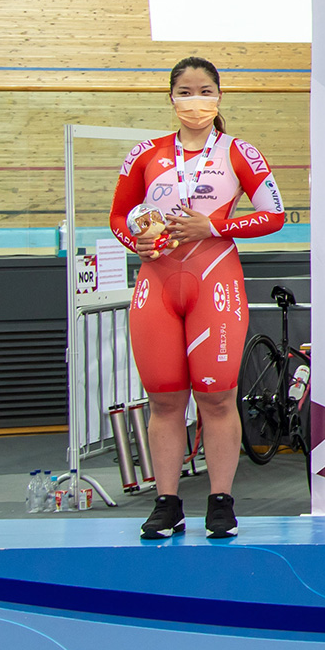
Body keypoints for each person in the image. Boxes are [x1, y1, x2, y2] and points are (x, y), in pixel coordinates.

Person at [108, 58, 286, 539]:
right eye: (185, 91)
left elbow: (274, 215)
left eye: (205, 90)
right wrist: (137, 242)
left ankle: (221, 501)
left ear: (219, 96)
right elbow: (119, 217)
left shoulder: (239, 152)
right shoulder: (145, 153)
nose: (195, 100)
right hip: (157, 282)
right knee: (164, 399)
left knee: (216, 394)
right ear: (171, 97)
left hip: (214, 279)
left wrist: (215, 225)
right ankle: (167, 503)